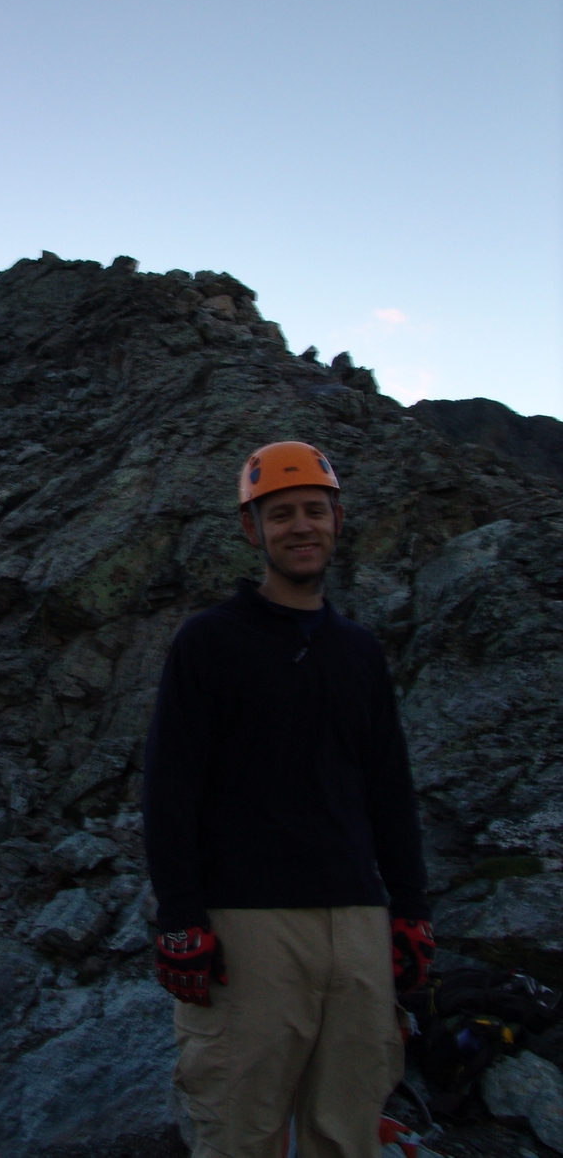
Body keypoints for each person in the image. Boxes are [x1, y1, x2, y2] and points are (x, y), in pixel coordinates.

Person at [142, 441, 434, 1158]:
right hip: (249, 926)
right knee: (240, 1130)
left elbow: (389, 789)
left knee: (349, 1126)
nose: (300, 526)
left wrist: (411, 913)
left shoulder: (359, 651)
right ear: (252, 531)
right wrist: (180, 919)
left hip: (359, 922)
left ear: (336, 520)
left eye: (314, 510)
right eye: (280, 515)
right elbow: (169, 787)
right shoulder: (208, 642)